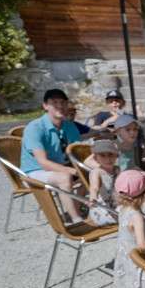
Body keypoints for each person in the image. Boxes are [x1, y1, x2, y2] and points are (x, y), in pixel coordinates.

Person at [20, 88, 83, 223]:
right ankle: (77, 221)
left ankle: (79, 210)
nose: (60, 106)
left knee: (96, 172)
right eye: (54, 102)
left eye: (63, 102)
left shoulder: (70, 127)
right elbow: (43, 163)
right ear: (46, 106)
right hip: (34, 172)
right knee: (65, 178)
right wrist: (74, 171)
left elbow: (78, 153)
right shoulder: (35, 127)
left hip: (58, 168)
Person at [100, 114, 145, 203]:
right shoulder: (114, 146)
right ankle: (139, 211)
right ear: (117, 131)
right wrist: (107, 170)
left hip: (132, 180)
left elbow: (139, 165)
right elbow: (89, 161)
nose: (132, 132)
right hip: (118, 184)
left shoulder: (134, 147)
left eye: (135, 129)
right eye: (127, 129)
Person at [84, 139, 121, 226]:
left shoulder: (117, 169)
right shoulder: (97, 173)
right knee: (133, 212)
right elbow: (94, 187)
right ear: (96, 159)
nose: (108, 159)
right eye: (102, 156)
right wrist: (93, 199)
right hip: (103, 210)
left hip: (116, 205)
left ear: (116, 155)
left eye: (110, 154)